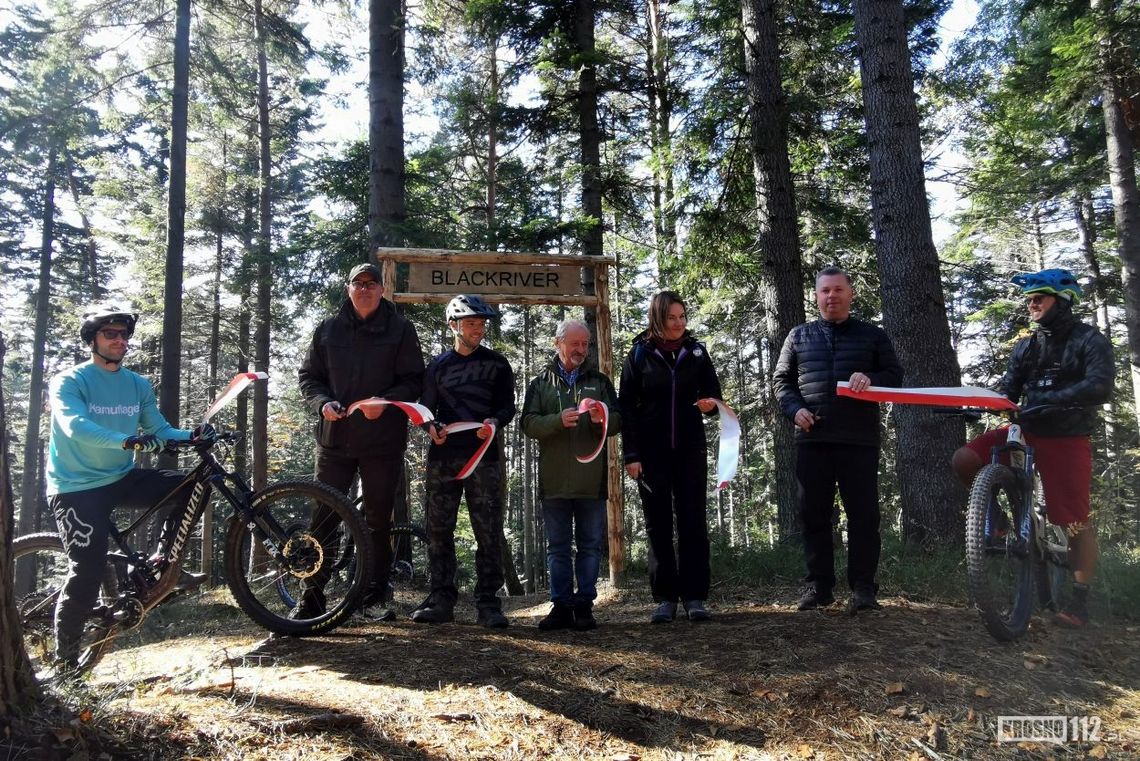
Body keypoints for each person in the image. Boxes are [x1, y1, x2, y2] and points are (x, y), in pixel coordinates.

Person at [46, 306, 206, 669]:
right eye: (110, 335)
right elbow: (75, 427)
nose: (120, 341)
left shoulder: (136, 384)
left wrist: (192, 436)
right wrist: (129, 442)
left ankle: (162, 562)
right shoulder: (70, 381)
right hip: (74, 487)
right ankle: (65, 666)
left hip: (120, 477)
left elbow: (161, 429)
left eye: (124, 335)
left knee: (190, 486)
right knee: (87, 572)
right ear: (92, 340)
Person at [951, 268, 1112, 628]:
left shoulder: (1089, 340)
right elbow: (1009, 390)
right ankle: (999, 522)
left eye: (1039, 297)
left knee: (1072, 520)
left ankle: (1079, 599)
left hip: (1066, 435)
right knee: (965, 460)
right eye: (1030, 298)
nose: (1031, 303)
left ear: (1063, 301)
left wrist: (1054, 399)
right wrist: (979, 405)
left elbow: (1100, 386)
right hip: (1027, 429)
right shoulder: (1028, 345)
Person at [298, 262, 425, 621]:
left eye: (372, 283)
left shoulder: (400, 329)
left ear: (382, 289)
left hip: (382, 443)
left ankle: (373, 597)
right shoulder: (328, 329)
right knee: (323, 516)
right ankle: (313, 596)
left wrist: (383, 403)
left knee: (377, 521)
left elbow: (414, 380)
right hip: (335, 442)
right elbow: (309, 378)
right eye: (358, 283)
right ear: (348, 288)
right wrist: (322, 404)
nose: (365, 289)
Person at [773, 266, 903, 613]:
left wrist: (871, 378)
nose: (831, 296)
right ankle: (819, 587)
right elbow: (781, 382)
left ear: (851, 294)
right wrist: (795, 410)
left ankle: (863, 589)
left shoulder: (872, 336)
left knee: (863, 516)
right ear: (816, 296)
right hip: (812, 439)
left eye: (838, 290)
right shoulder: (798, 336)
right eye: (824, 291)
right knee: (813, 516)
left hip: (858, 440)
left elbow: (894, 376)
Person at [619, 291, 723, 623]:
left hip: (691, 449)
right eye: (671, 318)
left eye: (682, 317)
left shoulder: (697, 352)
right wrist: (631, 454)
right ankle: (665, 598)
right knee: (658, 524)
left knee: (693, 521)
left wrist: (710, 405)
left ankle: (695, 597)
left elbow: (714, 397)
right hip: (651, 454)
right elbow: (627, 409)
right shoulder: (638, 355)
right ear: (657, 319)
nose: (678, 324)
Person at [413, 294, 516, 628]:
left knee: (488, 529)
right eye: (472, 323)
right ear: (453, 325)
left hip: (483, 457)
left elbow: (507, 406)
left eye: (482, 324)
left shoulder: (499, 364)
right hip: (444, 458)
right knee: (438, 528)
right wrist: (431, 428)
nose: (478, 330)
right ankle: (441, 599)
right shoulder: (437, 367)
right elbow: (426, 409)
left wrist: (494, 423)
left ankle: (489, 603)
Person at [522, 319, 622, 631]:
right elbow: (527, 423)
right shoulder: (540, 382)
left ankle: (584, 606)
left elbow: (618, 421)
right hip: (553, 482)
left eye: (585, 344)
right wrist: (556, 421)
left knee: (591, 545)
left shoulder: (600, 381)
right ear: (559, 343)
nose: (581, 350)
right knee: (558, 547)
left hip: (590, 481)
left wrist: (599, 418)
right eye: (575, 343)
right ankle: (561, 606)